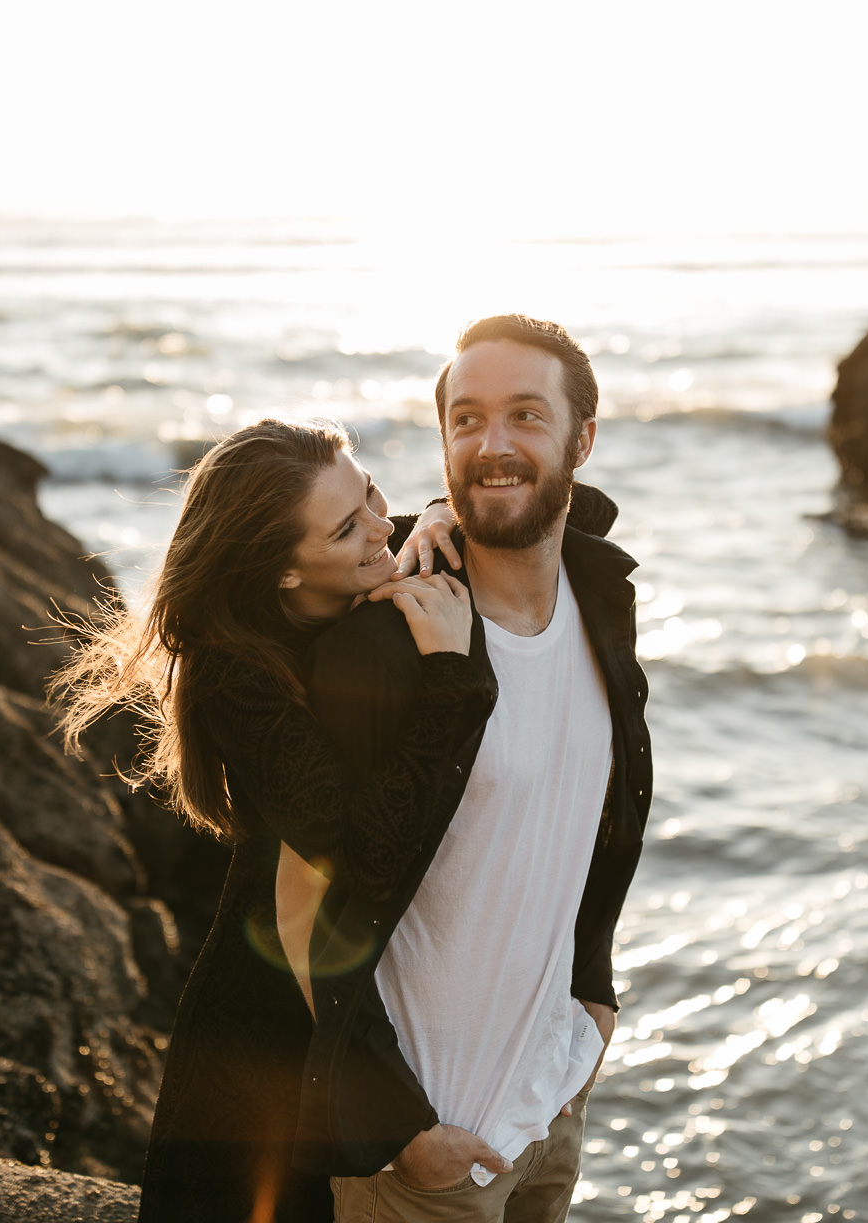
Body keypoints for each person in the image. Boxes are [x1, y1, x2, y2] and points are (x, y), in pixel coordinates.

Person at [53, 417, 618, 1223]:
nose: (379, 528)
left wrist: (441, 515)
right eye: (347, 527)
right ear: (284, 571)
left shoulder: (375, 575)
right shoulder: (234, 676)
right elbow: (360, 849)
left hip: (369, 985)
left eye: (373, 497)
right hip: (277, 1024)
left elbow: (583, 512)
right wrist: (452, 681)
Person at [298, 314, 653, 1222]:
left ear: (584, 438)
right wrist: (398, 1130)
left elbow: (604, 815)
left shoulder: (603, 597)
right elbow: (300, 909)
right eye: (467, 420)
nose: (493, 447)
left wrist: (594, 988)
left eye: (527, 416)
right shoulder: (384, 646)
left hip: (550, 1104)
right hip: (423, 1163)